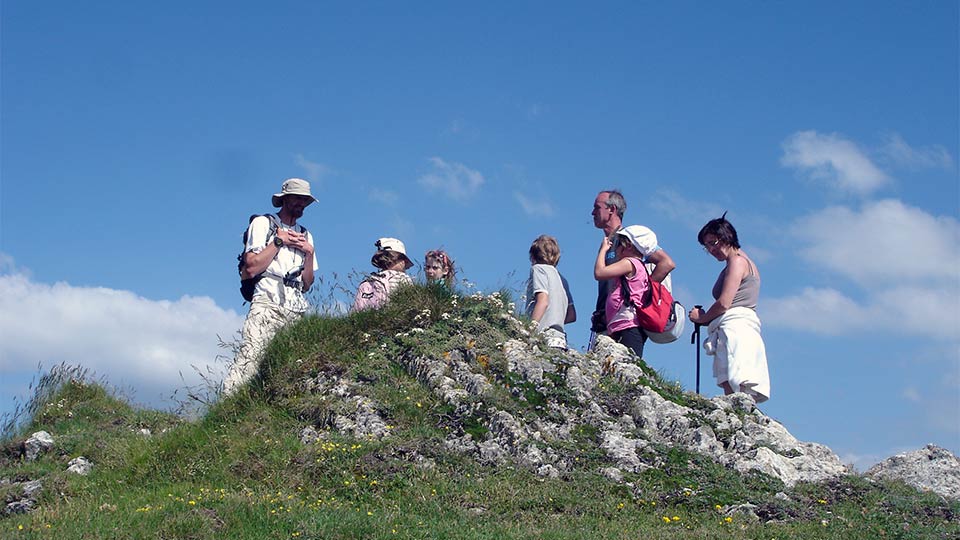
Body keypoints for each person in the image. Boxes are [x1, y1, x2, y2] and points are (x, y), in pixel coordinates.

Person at [223, 178, 319, 396]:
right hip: (266, 301)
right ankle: (229, 405)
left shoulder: (306, 234)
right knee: (251, 357)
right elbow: (251, 267)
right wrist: (279, 241)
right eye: (297, 198)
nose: (301, 204)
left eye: (304, 200)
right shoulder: (263, 224)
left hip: (296, 307)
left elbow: (307, 284)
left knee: (286, 365)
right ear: (284, 199)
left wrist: (309, 252)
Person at [688, 213, 770, 403]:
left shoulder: (737, 261)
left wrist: (702, 317)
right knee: (737, 385)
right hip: (741, 328)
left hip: (735, 328)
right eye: (707, 246)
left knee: (735, 384)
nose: (711, 249)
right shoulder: (745, 261)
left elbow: (725, 302)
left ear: (726, 237)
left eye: (713, 242)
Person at [590, 190, 676, 346]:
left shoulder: (631, 241)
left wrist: (641, 295)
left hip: (627, 321)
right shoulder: (607, 244)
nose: (592, 212)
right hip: (607, 319)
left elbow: (666, 263)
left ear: (612, 209)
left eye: (597, 207)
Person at [594, 226, 654, 358]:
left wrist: (603, 250)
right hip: (623, 325)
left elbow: (599, 273)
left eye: (619, 244)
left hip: (628, 326)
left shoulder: (630, 263)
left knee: (626, 365)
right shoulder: (639, 265)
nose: (616, 249)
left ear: (629, 246)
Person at [525, 235, 576, 349]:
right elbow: (572, 315)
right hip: (560, 338)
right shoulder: (562, 279)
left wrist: (529, 328)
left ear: (533, 256)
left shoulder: (538, 269)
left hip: (543, 336)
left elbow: (543, 301)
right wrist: (555, 318)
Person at [351, 238, 414, 311]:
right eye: (402, 258)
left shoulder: (374, 277)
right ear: (392, 258)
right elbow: (410, 301)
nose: (404, 262)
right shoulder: (402, 277)